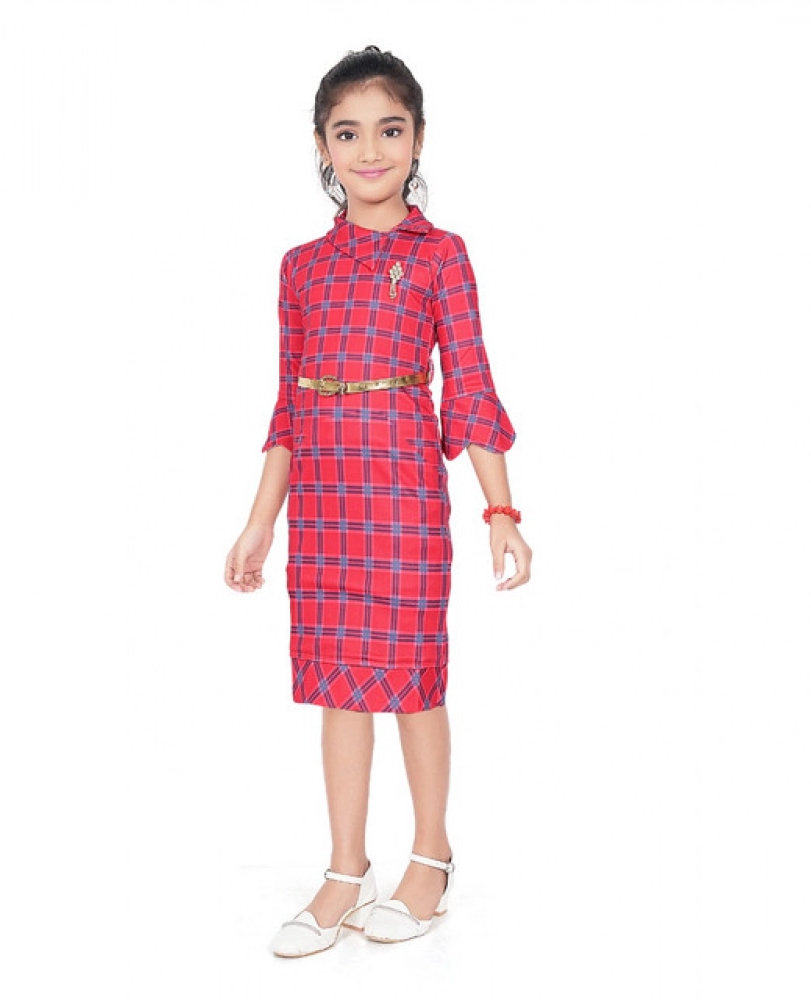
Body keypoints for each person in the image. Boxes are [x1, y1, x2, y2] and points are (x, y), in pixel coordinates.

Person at [224, 45, 531, 958]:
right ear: (322, 146)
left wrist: (501, 512)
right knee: (338, 682)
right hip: (323, 496)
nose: (370, 151)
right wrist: (260, 521)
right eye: (348, 133)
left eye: (389, 130)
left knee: (411, 676)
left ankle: (430, 858)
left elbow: (468, 386)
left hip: (400, 491)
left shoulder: (441, 256)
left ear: (418, 139)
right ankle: (345, 869)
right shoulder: (300, 268)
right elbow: (289, 404)